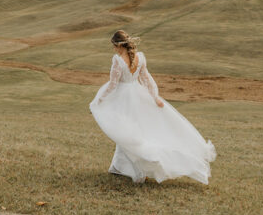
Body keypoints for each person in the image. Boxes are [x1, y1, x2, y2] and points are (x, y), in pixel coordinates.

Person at [89, 30, 216, 184]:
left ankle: (137, 169)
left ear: (118, 45)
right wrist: (154, 97)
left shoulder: (117, 60)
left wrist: (100, 99)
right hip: (138, 95)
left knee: (127, 132)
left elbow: (113, 84)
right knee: (131, 132)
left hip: (124, 98)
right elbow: (147, 79)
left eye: (114, 46)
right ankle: (118, 166)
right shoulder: (140, 57)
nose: (114, 50)